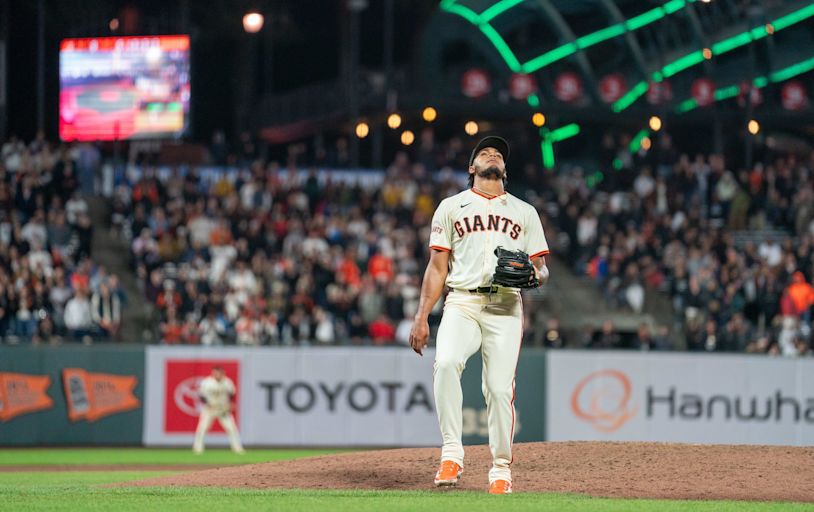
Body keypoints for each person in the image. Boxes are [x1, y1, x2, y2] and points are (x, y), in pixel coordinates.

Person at [409, 136, 550, 495]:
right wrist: (422, 314)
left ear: (505, 169)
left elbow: (541, 267)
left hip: (505, 305)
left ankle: (501, 469)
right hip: (462, 302)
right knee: (446, 362)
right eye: (484, 153)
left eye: (498, 154)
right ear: (472, 167)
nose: (493, 155)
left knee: (500, 389)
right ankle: (452, 453)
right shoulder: (451, 207)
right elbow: (437, 267)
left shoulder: (524, 212)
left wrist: (535, 275)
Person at [192, 366, 245, 454]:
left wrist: (231, 403)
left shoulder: (227, 382)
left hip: (222, 409)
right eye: (215, 373)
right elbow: (201, 395)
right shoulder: (207, 382)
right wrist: (207, 404)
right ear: (213, 373)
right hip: (210, 409)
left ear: (223, 373)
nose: (217, 375)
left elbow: (232, 394)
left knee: (232, 428)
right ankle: (198, 449)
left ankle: (238, 449)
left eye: (219, 373)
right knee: (202, 428)